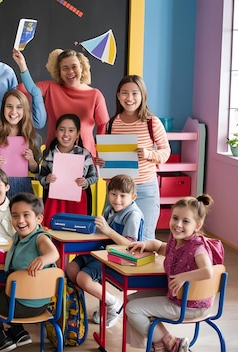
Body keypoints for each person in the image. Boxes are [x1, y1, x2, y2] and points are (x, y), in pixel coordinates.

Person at [125, 194, 216, 352]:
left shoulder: (198, 247)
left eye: (186, 221)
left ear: (197, 226)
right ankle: (158, 344)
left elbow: (208, 271)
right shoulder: (176, 240)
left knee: (133, 309)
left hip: (190, 304)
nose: (178, 224)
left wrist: (183, 277)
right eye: (175, 218)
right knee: (130, 300)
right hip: (179, 296)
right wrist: (146, 244)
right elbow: (161, 247)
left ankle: (170, 343)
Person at [0, 192, 59, 352]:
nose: (20, 220)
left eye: (26, 215)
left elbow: (54, 253)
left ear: (39, 219)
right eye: (15, 216)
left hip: (20, 306)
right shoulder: (19, 238)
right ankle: (18, 332)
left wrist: (43, 259)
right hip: (41, 304)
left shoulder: (40, 238)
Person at [96, 75, 170, 241]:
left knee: (143, 239)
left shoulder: (152, 122)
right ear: (118, 95)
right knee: (110, 236)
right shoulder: (111, 123)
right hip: (116, 191)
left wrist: (149, 154)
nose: (129, 98)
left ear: (142, 95)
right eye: (125, 93)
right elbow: (106, 156)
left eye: (135, 93)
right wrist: (100, 161)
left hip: (144, 189)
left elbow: (165, 152)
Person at [66, 174, 143, 329]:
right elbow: (101, 233)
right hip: (99, 251)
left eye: (123, 195)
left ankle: (114, 304)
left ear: (133, 196)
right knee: (70, 269)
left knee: (83, 278)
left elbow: (129, 245)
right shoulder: (110, 209)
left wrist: (108, 231)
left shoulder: (133, 215)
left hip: (117, 257)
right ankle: (85, 307)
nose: (117, 199)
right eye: (113, 194)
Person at [11, 48, 109, 157]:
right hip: (54, 156)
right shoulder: (51, 88)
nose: (70, 71)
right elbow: (24, 89)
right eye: (65, 68)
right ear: (59, 72)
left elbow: (103, 126)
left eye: (74, 66)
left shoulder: (95, 95)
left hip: (86, 158)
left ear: (81, 67)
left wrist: (101, 153)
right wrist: (22, 65)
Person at [38, 114, 98, 227]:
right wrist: (46, 179)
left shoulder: (84, 154)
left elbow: (94, 177)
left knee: (76, 229)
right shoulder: (49, 154)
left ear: (77, 134)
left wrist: (85, 182)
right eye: (62, 130)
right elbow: (40, 176)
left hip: (78, 201)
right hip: (54, 201)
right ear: (55, 133)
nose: (66, 134)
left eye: (71, 130)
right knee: (52, 228)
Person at [0, 89, 41, 198]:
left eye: (19, 107)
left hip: (24, 186)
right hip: (0, 186)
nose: (13, 111)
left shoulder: (32, 137)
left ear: (25, 110)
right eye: (9, 106)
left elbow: (35, 169)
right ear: (3, 109)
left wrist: (30, 159)